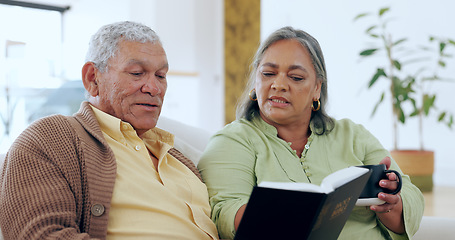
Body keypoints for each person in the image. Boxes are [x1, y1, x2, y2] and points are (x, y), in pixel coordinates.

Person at [198, 26, 424, 239]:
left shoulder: (352, 135)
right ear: (255, 82)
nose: (278, 84)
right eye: (268, 73)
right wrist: (287, 212)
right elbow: (223, 215)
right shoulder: (231, 141)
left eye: (295, 77)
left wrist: (391, 204)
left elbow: (412, 198)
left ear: (317, 87)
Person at [0, 21, 218, 240]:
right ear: (92, 78)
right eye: (136, 73)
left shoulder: (178, 154)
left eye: (160, 75)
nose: (154, 88)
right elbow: (39, 235)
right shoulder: (50, 137)